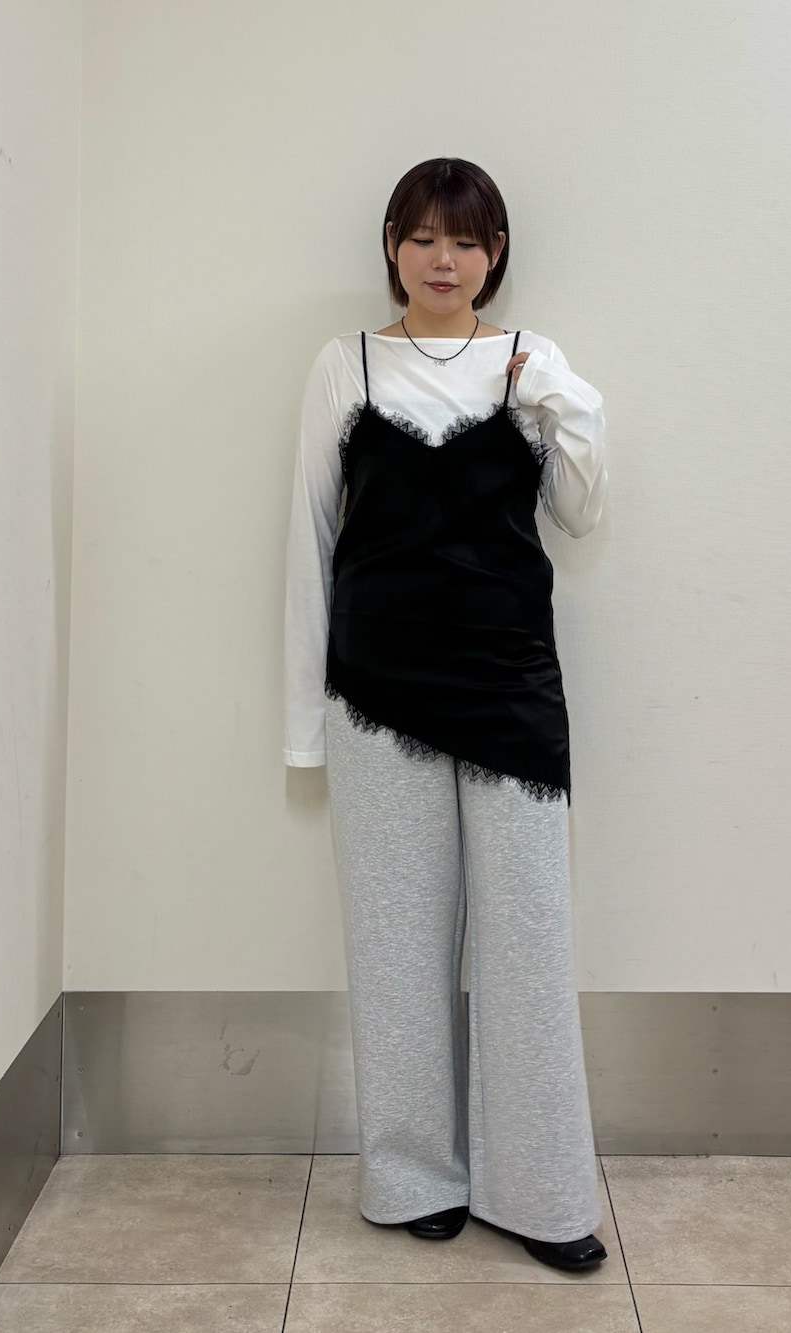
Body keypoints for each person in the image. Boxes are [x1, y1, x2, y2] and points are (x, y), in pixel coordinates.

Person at [284, 158, 608, 1271]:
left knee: (529, 945)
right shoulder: (344, 363)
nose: (443, 259)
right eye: (422, 237)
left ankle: (542, 1191)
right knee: (396, 946)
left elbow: (583, 508)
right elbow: (307, 539)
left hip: (511, 688)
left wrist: (553, 397)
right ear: (390, 244)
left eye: (465, 241)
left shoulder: (532, 363)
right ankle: (412, 1176)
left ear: (494, 253)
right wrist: (304, 722)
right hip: (376, 693)